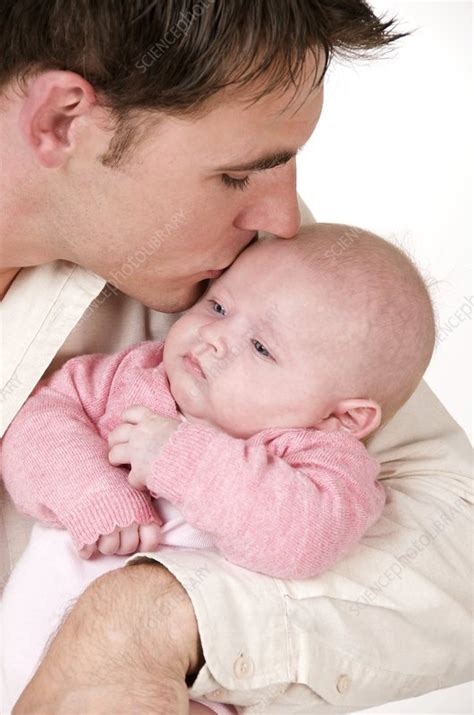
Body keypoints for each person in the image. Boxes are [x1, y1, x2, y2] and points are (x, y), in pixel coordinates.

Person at [0, 2, 471, 714]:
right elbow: (51, 422)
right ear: (62, 120)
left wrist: (148, 622)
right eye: (237, 176)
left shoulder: (252, 273)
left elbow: (455, 538)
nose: (282, 221)